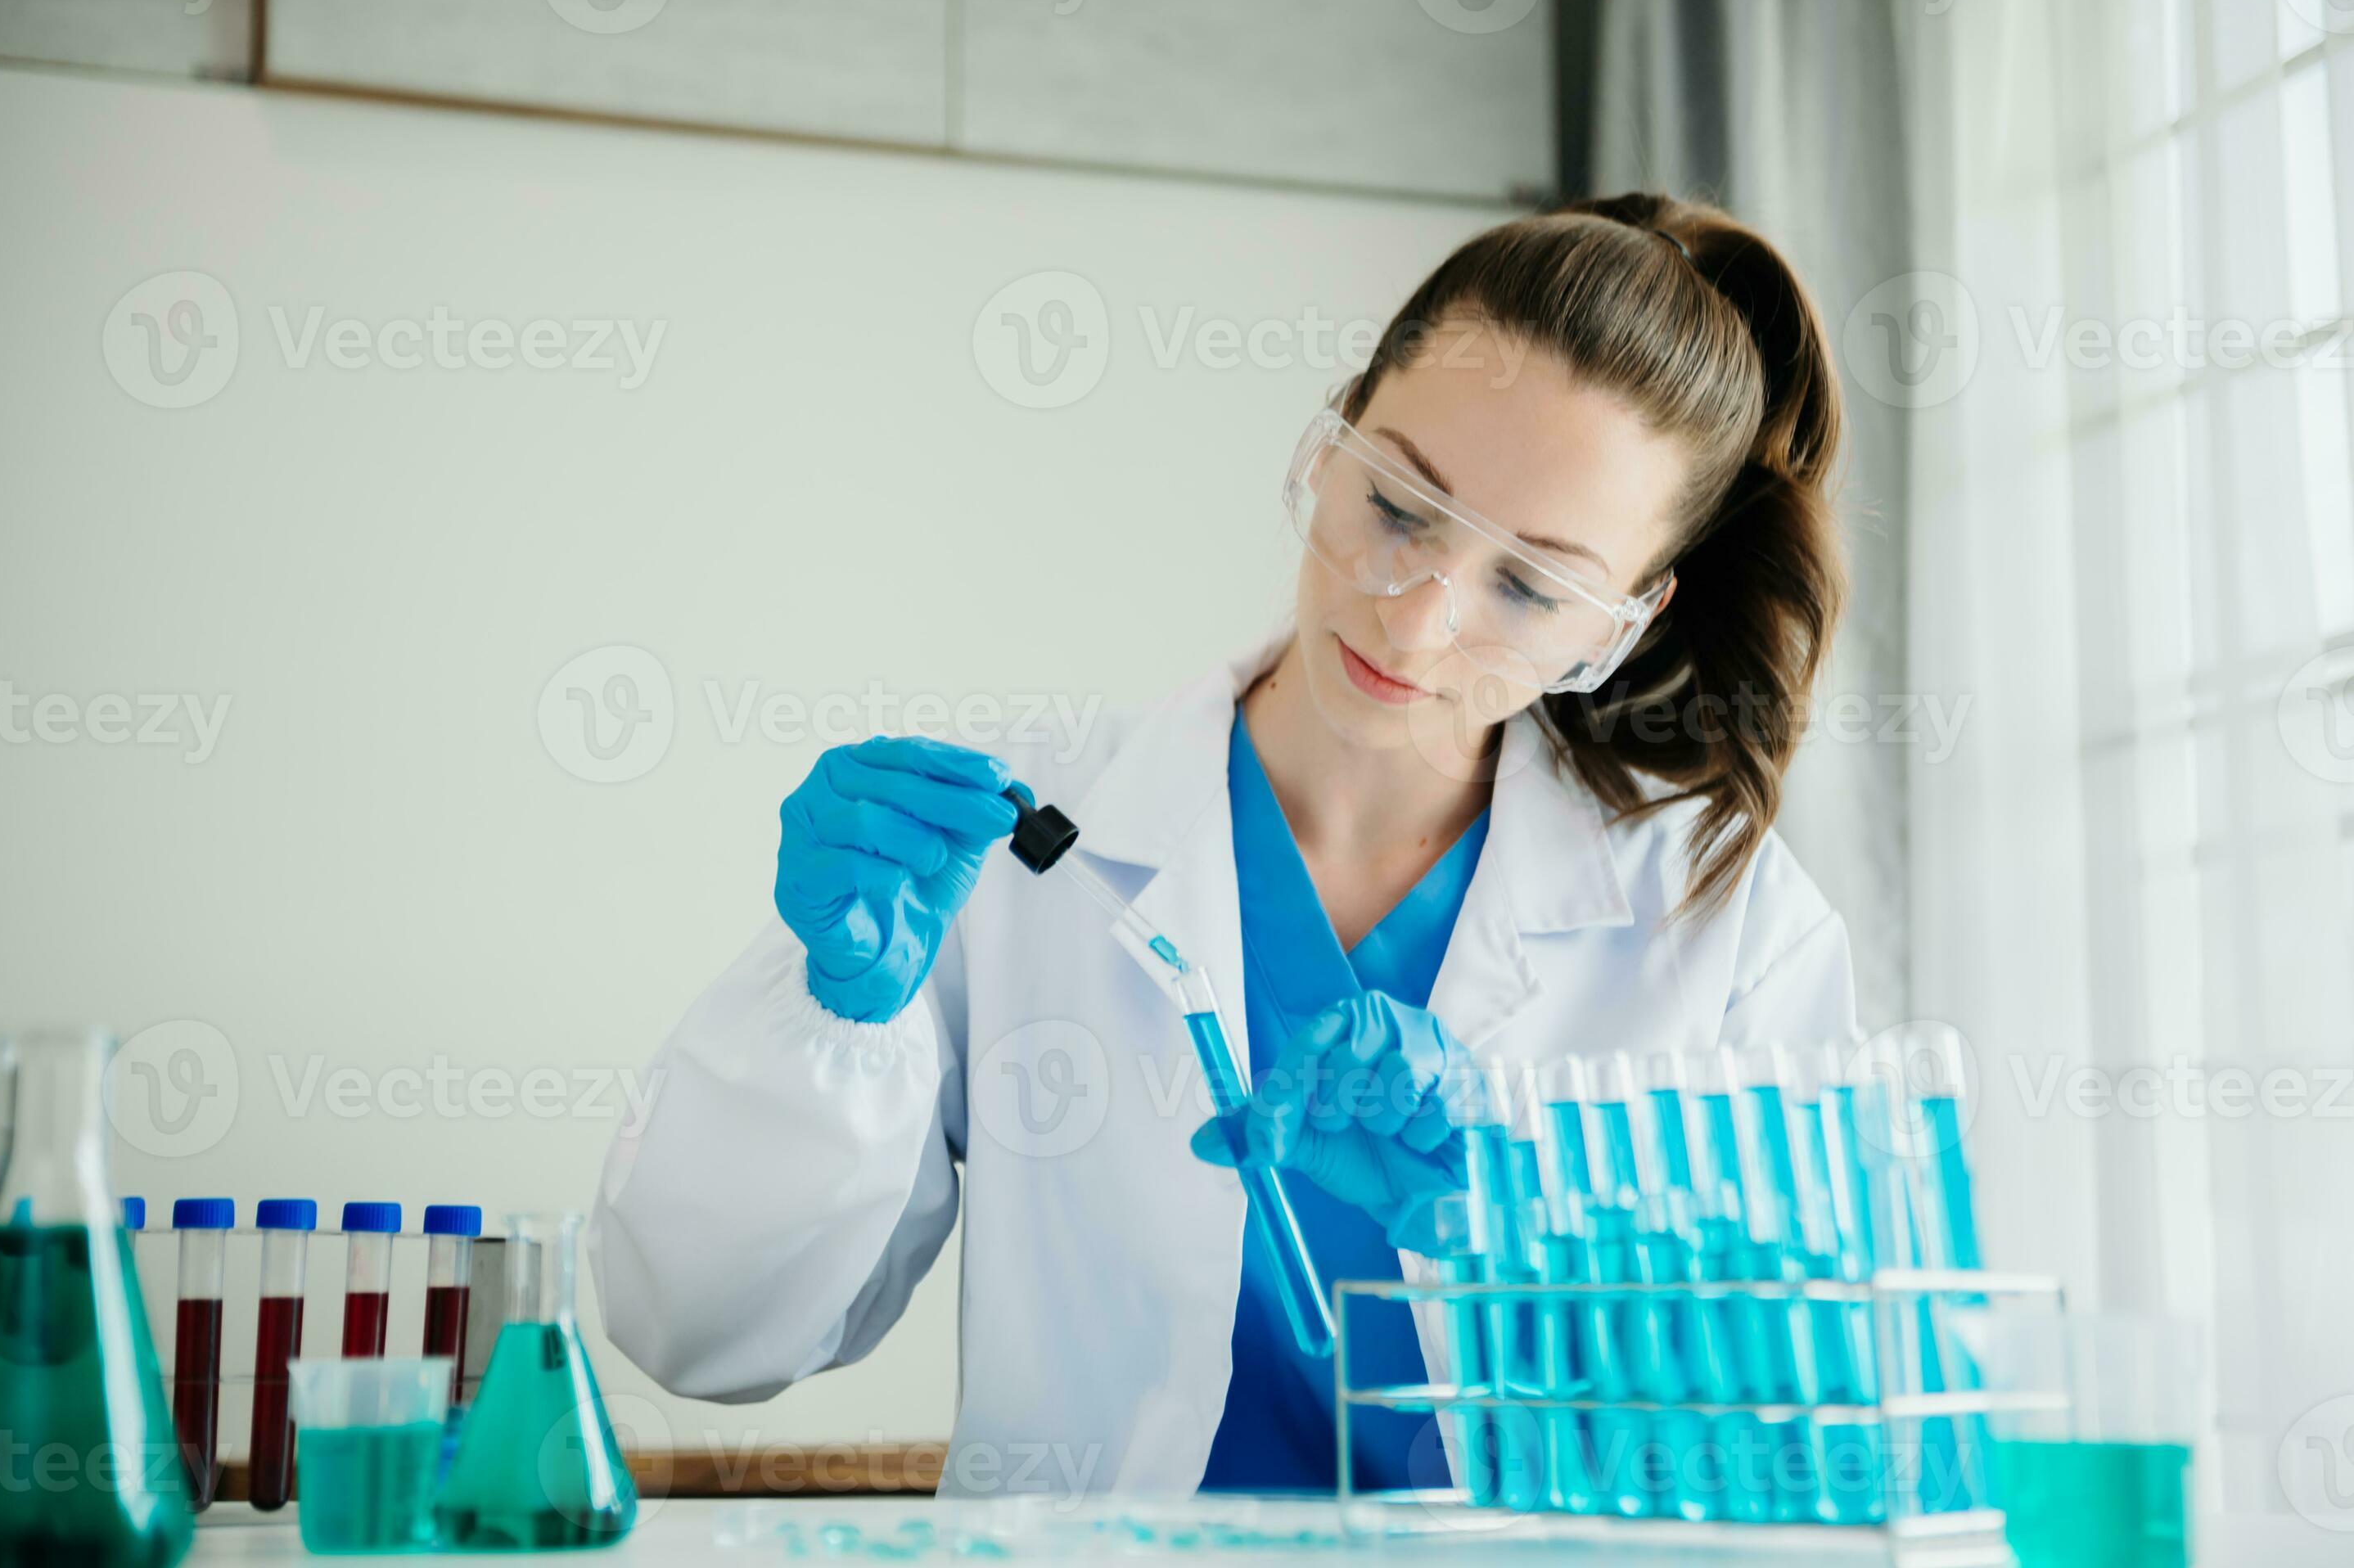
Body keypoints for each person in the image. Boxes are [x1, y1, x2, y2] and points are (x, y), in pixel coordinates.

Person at [590, 192, 1859, 1498]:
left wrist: (1510, 1245)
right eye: (1401, 501)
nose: (1415, 622)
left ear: (1625, 624)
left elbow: (1792, 1467)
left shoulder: (1730, 937)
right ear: (1335, 436)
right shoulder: (1015, 847)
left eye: (1531, 585)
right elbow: (695, 1329)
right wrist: (830, 1022)